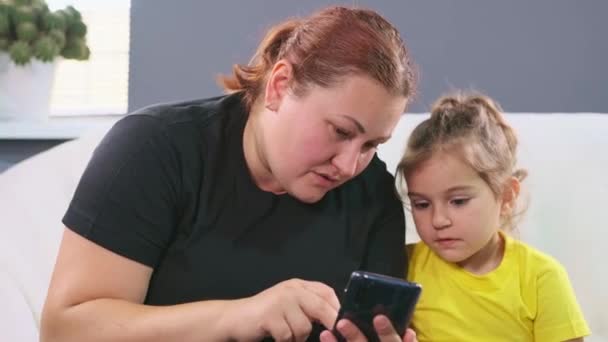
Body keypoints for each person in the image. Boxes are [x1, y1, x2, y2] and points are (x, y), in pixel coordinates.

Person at [40, 6, 419, 342]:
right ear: (280, 85)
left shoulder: (374, 196)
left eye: (371, 145)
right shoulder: (155, 149)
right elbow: (64, 331)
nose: (349, 165)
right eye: (340, 131)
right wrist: (242, 316)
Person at [397, 92, 591, 341]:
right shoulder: (403, 266)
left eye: (458, 201)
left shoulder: (540, 278)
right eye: (422, 204)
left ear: (507, 196)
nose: (438, 220)